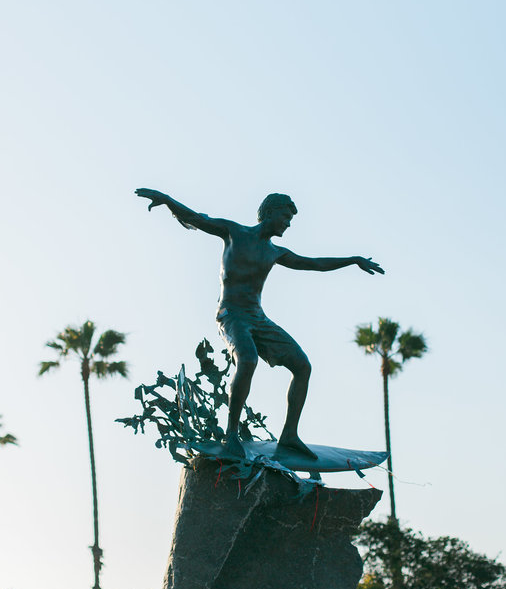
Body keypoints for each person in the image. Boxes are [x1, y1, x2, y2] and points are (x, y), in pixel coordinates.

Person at [136, 188, 383, 459]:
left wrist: (353, 260)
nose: (288, 223)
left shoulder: (276, 252)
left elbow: (314, 263)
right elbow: (196, 218)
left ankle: (289, 434)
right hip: (231, 315)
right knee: (248, 359)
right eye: (286, 217)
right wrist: (167, 200)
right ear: (271, 213)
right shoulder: (234, 232)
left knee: (302, 366)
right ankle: (231, 433)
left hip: (258, 318)